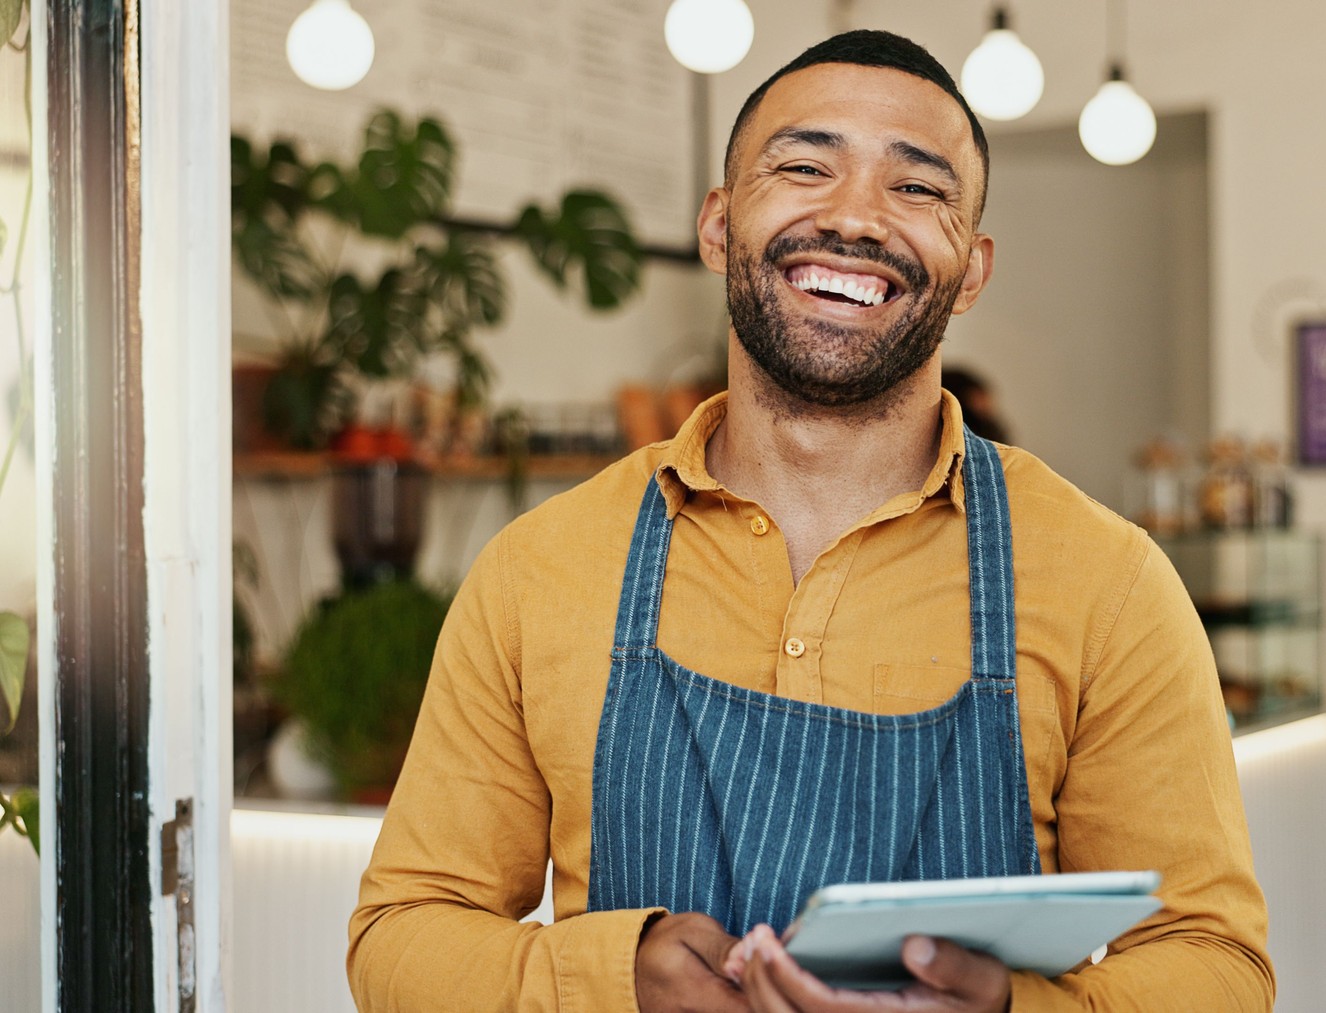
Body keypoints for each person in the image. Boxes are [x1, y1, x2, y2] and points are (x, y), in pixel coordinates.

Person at [348, 30, 1273, 1012]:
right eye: (803, 167)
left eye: (917, 189)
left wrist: (1013, 1011)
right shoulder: (543, 567)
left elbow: (1213, 962)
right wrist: (613, 981)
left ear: (972, 269)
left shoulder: (1108, 582)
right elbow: (404, 936)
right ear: (717, 224)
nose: (854, 218)